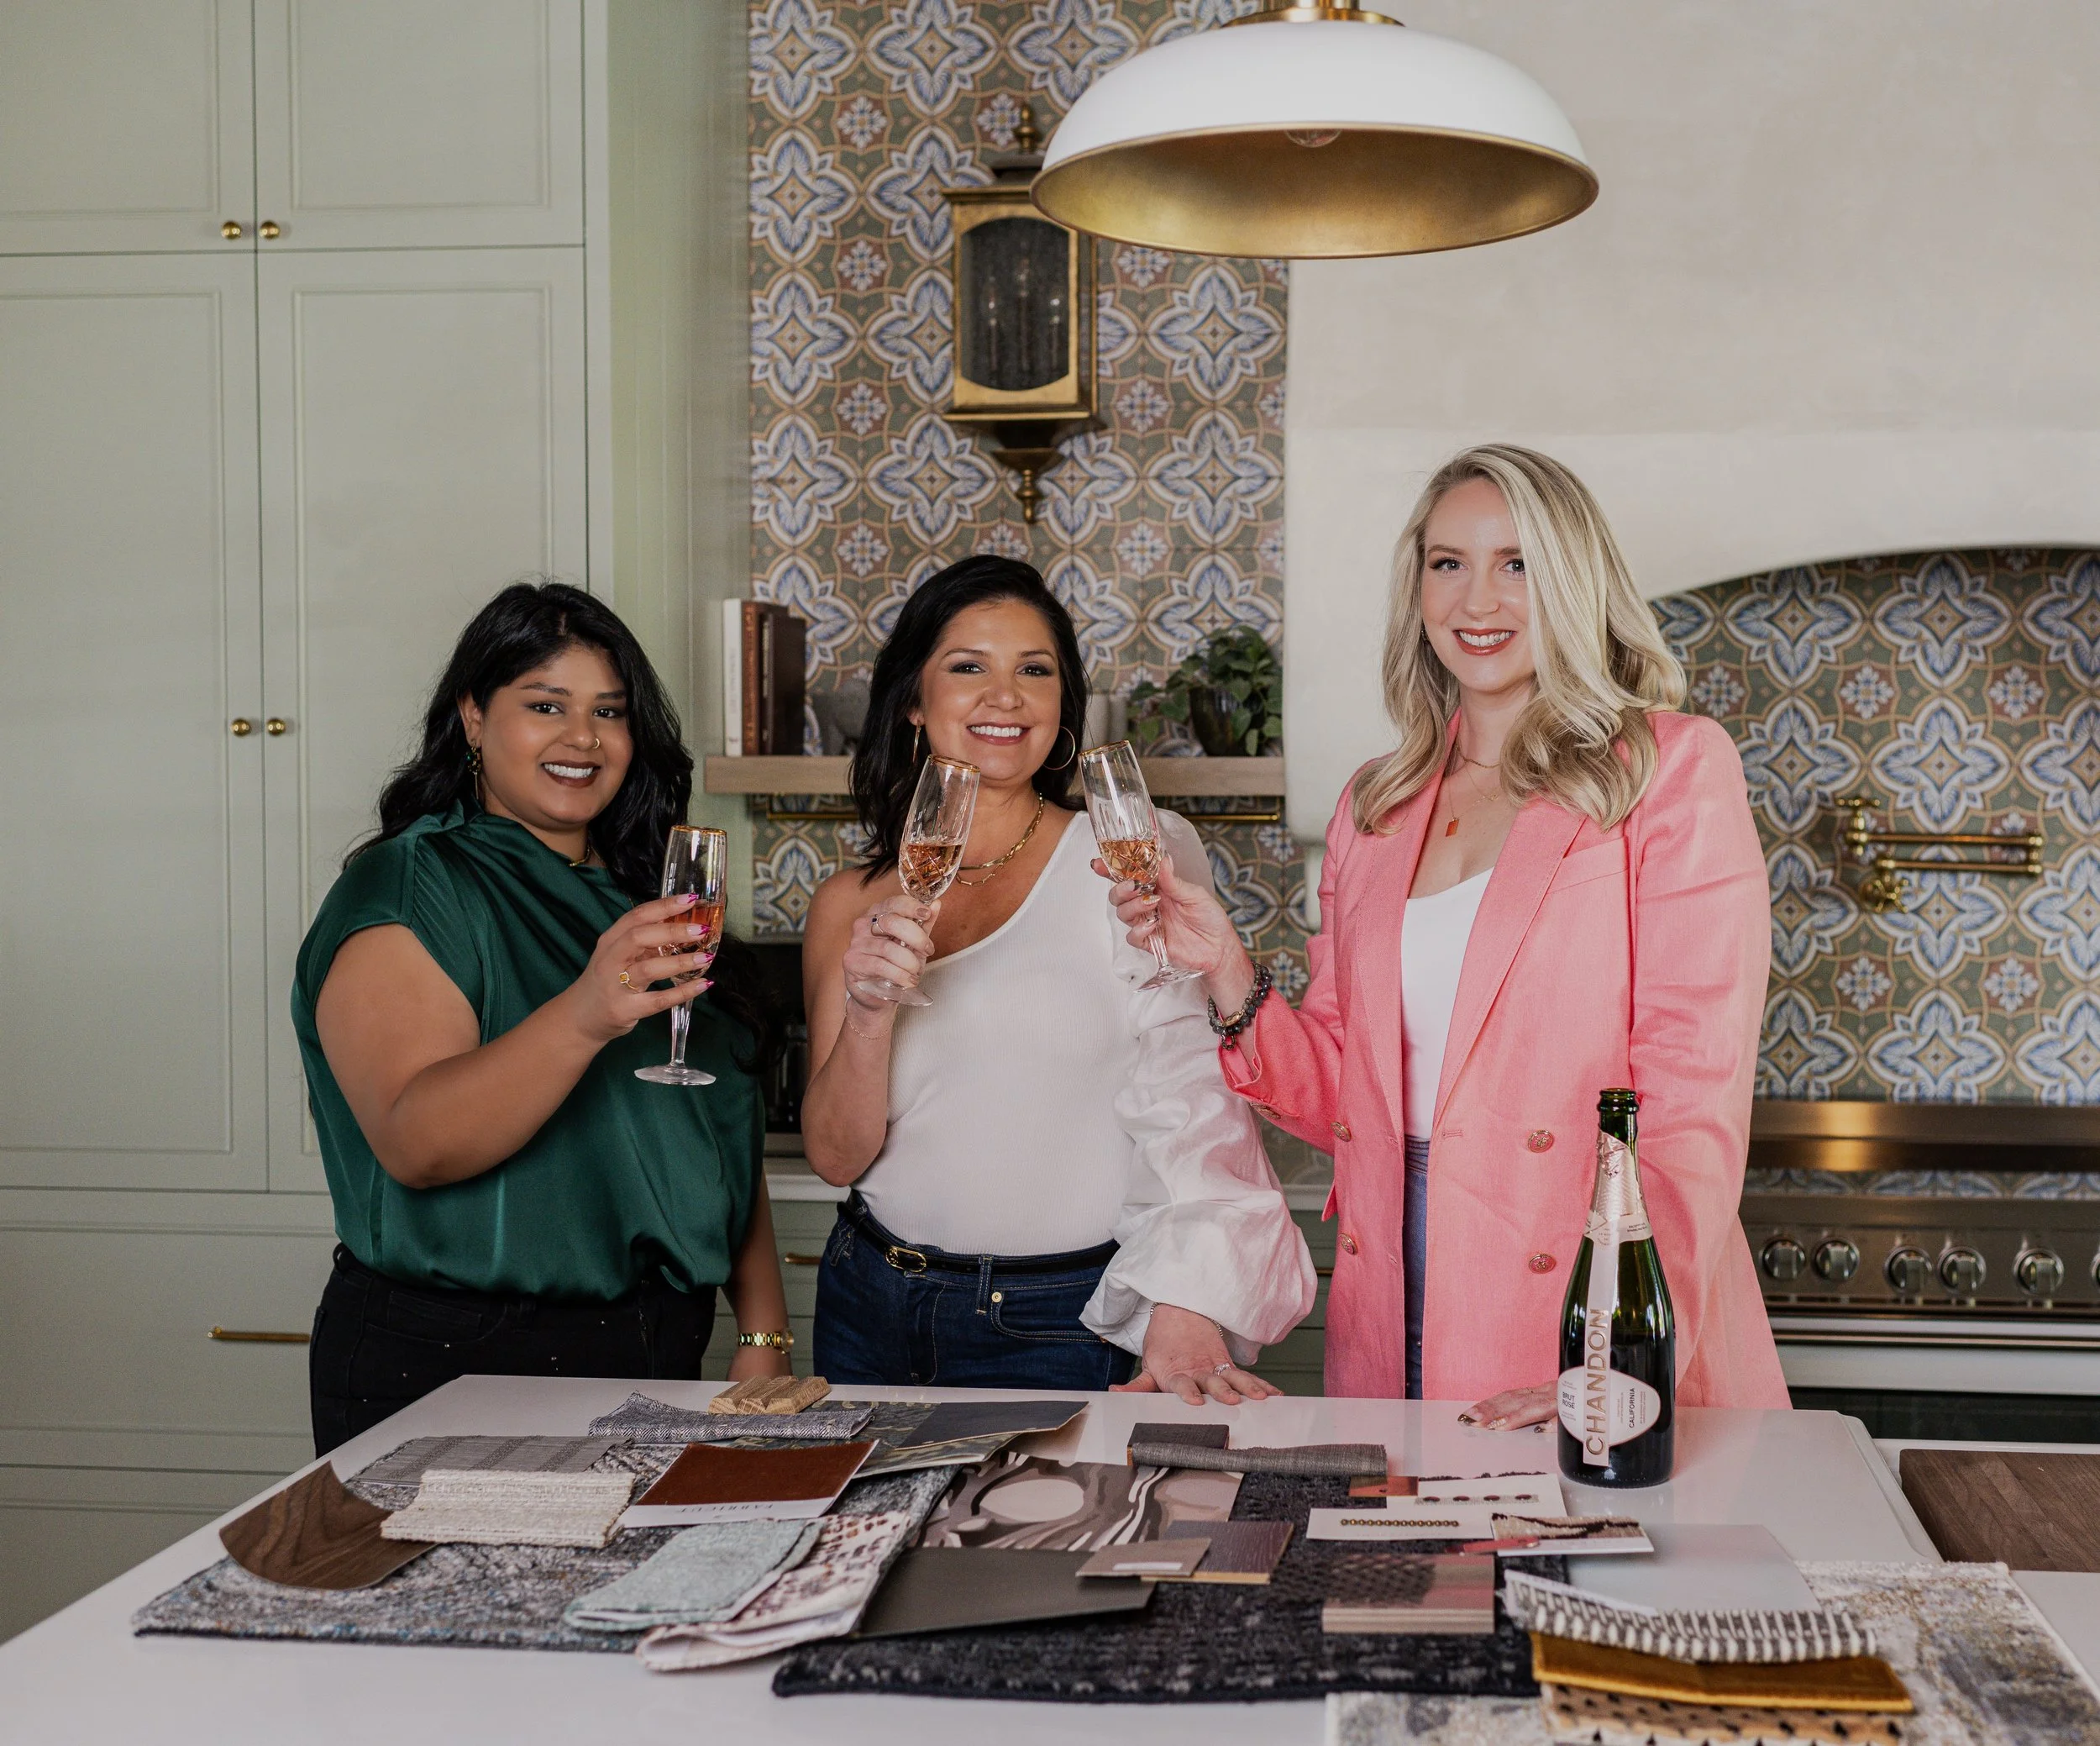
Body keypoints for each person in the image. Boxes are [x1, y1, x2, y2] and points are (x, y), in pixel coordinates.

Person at [1106, 445, 1789, 1423]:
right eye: (1447, 562)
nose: (1479, 598)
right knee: (1411, 1567)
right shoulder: (1376, 805)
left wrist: (1619, 1348)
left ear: (1571, 579)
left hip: (1582, 1276)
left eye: (1516, 563)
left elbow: (1688, 1099)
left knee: (1576, 1557)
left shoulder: (1665, 770)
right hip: (1392, 1280)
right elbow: (1345, 1095)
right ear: (1417, 586)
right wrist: (1223, 960)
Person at [799, 556, 1315, 1403]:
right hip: (868, 1299)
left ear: (1061, 709)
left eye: (1033, 670)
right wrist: (866, 1013)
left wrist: (1185, 1298)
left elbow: (1196, 1102)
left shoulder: (1130, 857)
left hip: (1056, 1319)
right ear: (913, 703)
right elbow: (835, 1154)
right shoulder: (851, 902)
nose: (1004, 696)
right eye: (968, 666)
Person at [295, 581, 790, 1454]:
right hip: (457, 1351)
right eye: (544, 705)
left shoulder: (650, 896)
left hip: (657, 1343)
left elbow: (718, 1127)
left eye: (609, 710)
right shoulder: (412, 886)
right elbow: (418, 1141)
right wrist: (587, 1011)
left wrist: (761, 1333)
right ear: (474, 717)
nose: (582, 737)